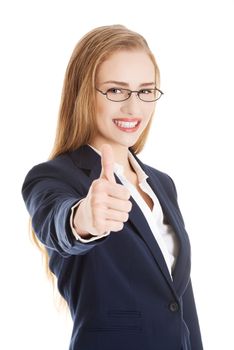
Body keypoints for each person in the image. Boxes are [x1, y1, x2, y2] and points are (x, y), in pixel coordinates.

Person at [22, 24, 203, 350]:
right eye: (116, 91)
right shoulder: (53, 178)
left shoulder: (162, 184)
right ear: (83, 93)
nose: (134, 108)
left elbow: (180, 304)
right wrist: (83, 221)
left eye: (146, 91)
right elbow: (56, 222)